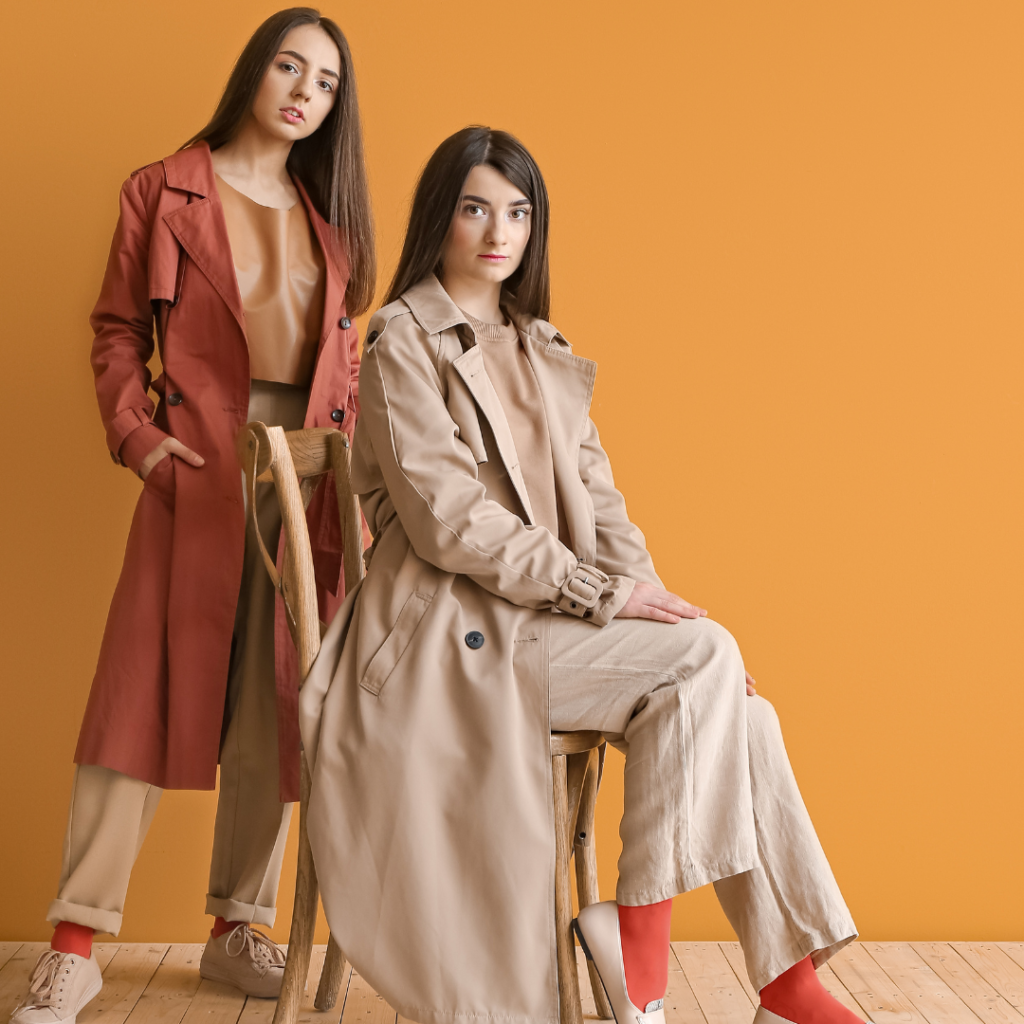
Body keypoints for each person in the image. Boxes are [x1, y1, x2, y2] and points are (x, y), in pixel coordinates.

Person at [297, 126, 868, 1024]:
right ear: (441, 217)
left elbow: (603, 508)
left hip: (538, 624)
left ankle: (767, 974)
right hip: (444, 635)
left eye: (518, 212)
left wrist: (667, 622)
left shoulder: (541, 345)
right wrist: (608, 599)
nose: (499, 231)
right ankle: (646, 954)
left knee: (733, 698)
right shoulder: (404, 339)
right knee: (710, 672)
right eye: (476, 207)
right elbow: (451, 521)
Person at [10, 9, 374, 1023]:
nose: (304, 90)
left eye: (326, 81)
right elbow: (118, 328)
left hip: (303, 484)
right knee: (134, 695)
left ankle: (233, 929)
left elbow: (338, 364)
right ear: (253, 73)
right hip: (197, 468)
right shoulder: (163, 188)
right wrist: (139, 438)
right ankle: (76, 940)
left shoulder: (330, 223)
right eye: (288, 66)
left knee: (275, 706)